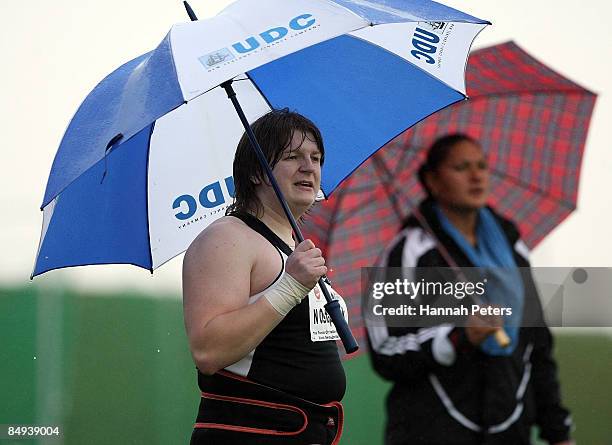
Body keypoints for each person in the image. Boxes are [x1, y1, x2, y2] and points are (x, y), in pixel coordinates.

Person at [366, 134, 573, 445]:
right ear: (433, 181)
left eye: (482, 165)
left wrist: (558, 432)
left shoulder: (512, 248)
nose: (476, 176)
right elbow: (386, 351)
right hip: (431, 432)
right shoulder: (407, 253)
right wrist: (457, 337)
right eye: (461, 167)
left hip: (511, 431)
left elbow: (538, 344)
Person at [183, 109, 347, 445]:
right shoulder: (227, 238)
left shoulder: (293, 244)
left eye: (315, 157)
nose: (309, 167)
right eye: (292, 156)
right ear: (257, 171)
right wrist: (292, 286)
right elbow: (209, 351)